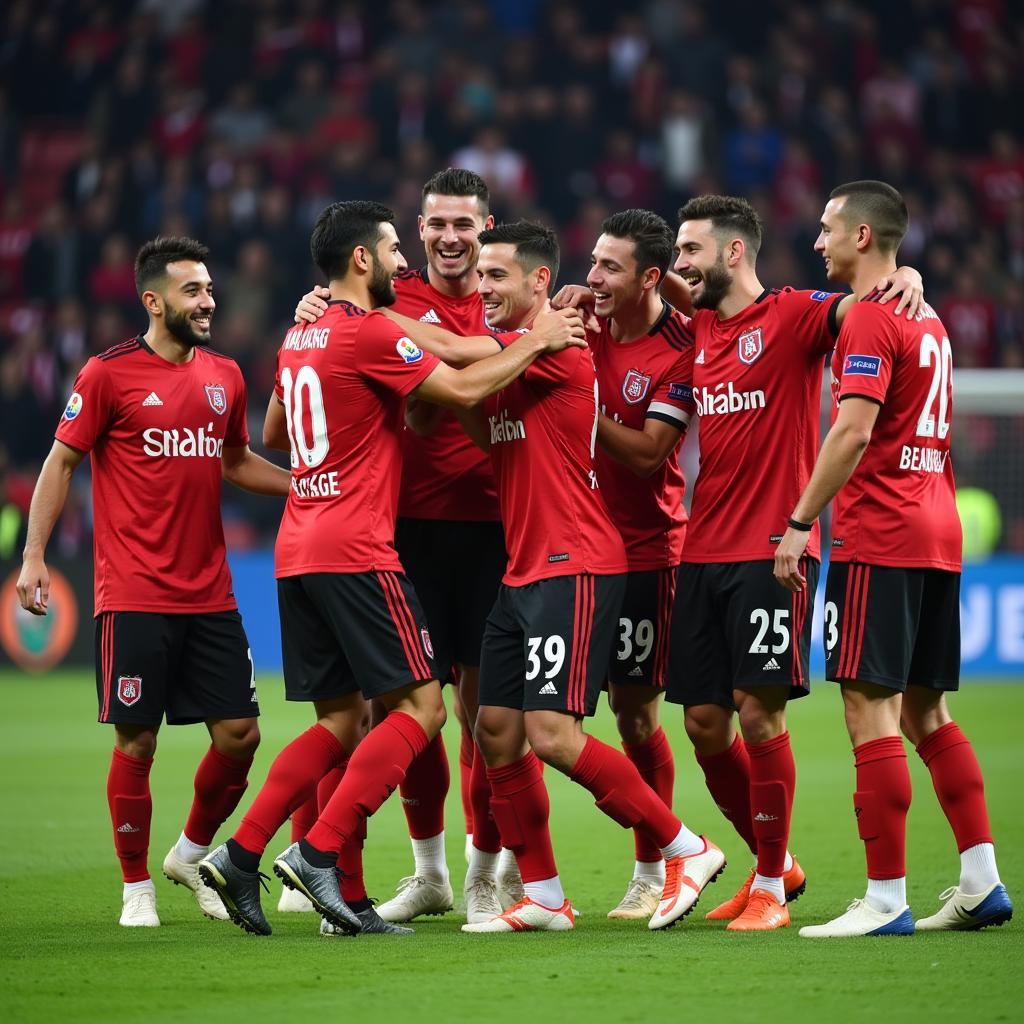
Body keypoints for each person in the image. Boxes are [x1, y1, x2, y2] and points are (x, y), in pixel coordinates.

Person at [198, 201, 587, 937]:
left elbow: (276, 432)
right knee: (424, 710)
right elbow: (467, 390)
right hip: (359, 548)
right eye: (391, 250)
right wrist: (537, 341)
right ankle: (317, 855)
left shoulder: (302, 332)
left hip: (297, 548)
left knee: (345, 721)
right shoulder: (369, 330)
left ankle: (242, 853)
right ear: (360, 261)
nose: (405, 262)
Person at [450, 221, 724, 934]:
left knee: (555, 734)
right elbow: (478, 419)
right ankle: (542, 894)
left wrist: (376, 321)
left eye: (496, 277)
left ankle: (682, 848)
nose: (483, 289)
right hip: (523, 570)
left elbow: (451, 357)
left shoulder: (556, 346)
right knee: (497, 731)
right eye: (479, 277)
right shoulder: (527, 353)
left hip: (576, 565)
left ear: (539, 282)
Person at [662, 194, 924, 931]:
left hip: (771, 552)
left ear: (734, 252)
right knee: (705, 723)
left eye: (692, 251)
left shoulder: (793, 314)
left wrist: (907, 277)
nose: (682, 264)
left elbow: (862, 308)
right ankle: (772, 863)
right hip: (702, 549)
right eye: (677, 252)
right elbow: (635, 301)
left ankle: (772, 888)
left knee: (757, 712)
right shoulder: (701, 328)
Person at [16, 237, 292, 928]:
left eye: (208, 288)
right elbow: (60, 462)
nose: (208, 300)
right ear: (153, 300)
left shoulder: (225, 374)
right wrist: (34, 555)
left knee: (240, 735)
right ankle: (135, 886)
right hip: (133, 593)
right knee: (137, 743)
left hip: (212, 593)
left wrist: (306, 487)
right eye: (193, 291)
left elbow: (235, 460)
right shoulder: (107, 375)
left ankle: (190, 852)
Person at [773, 180, 1013, 937]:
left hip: (881, 533)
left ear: (864, 238)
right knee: (926, 710)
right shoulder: (928, 316)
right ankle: (981, 882)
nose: (818, 242)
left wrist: (799, 521)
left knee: (867, 709)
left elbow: (849, 432)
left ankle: (883, 899)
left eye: (828, 229)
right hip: (938, 530)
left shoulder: (874, 320)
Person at [291, 169, 519, 921]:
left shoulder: (506, 285)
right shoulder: (389, 297)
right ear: (418, 233)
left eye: (466, 224)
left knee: (485, 719)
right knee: (400, 713)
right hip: (402, 529)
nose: (452, 237)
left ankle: (486, 872)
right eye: (437, 224)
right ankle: (428, 875)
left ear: (488, 228)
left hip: (494, 526)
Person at [581, 209, 697, 919]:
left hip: (648, 553)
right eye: (592, 262)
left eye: (609, 268)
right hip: (572, 547)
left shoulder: (677, 348)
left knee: (634, 716)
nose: (592, 278)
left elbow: (652, 452)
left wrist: (578, 401)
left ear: (649, 278)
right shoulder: (580, 322)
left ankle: (654, 867)